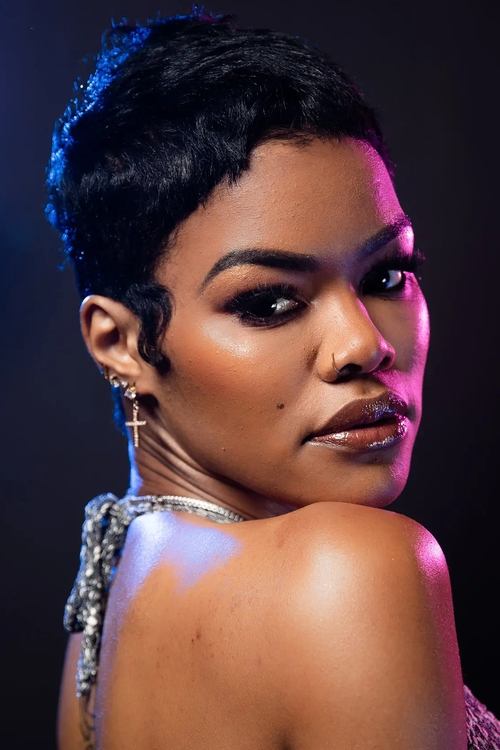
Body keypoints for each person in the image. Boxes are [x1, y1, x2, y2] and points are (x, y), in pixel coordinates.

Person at [46, 7, 500, 750]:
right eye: (269, 302)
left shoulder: (107, 597)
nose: (363, 344)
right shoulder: (351, 570)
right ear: (120, 343)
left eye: (387, 275)